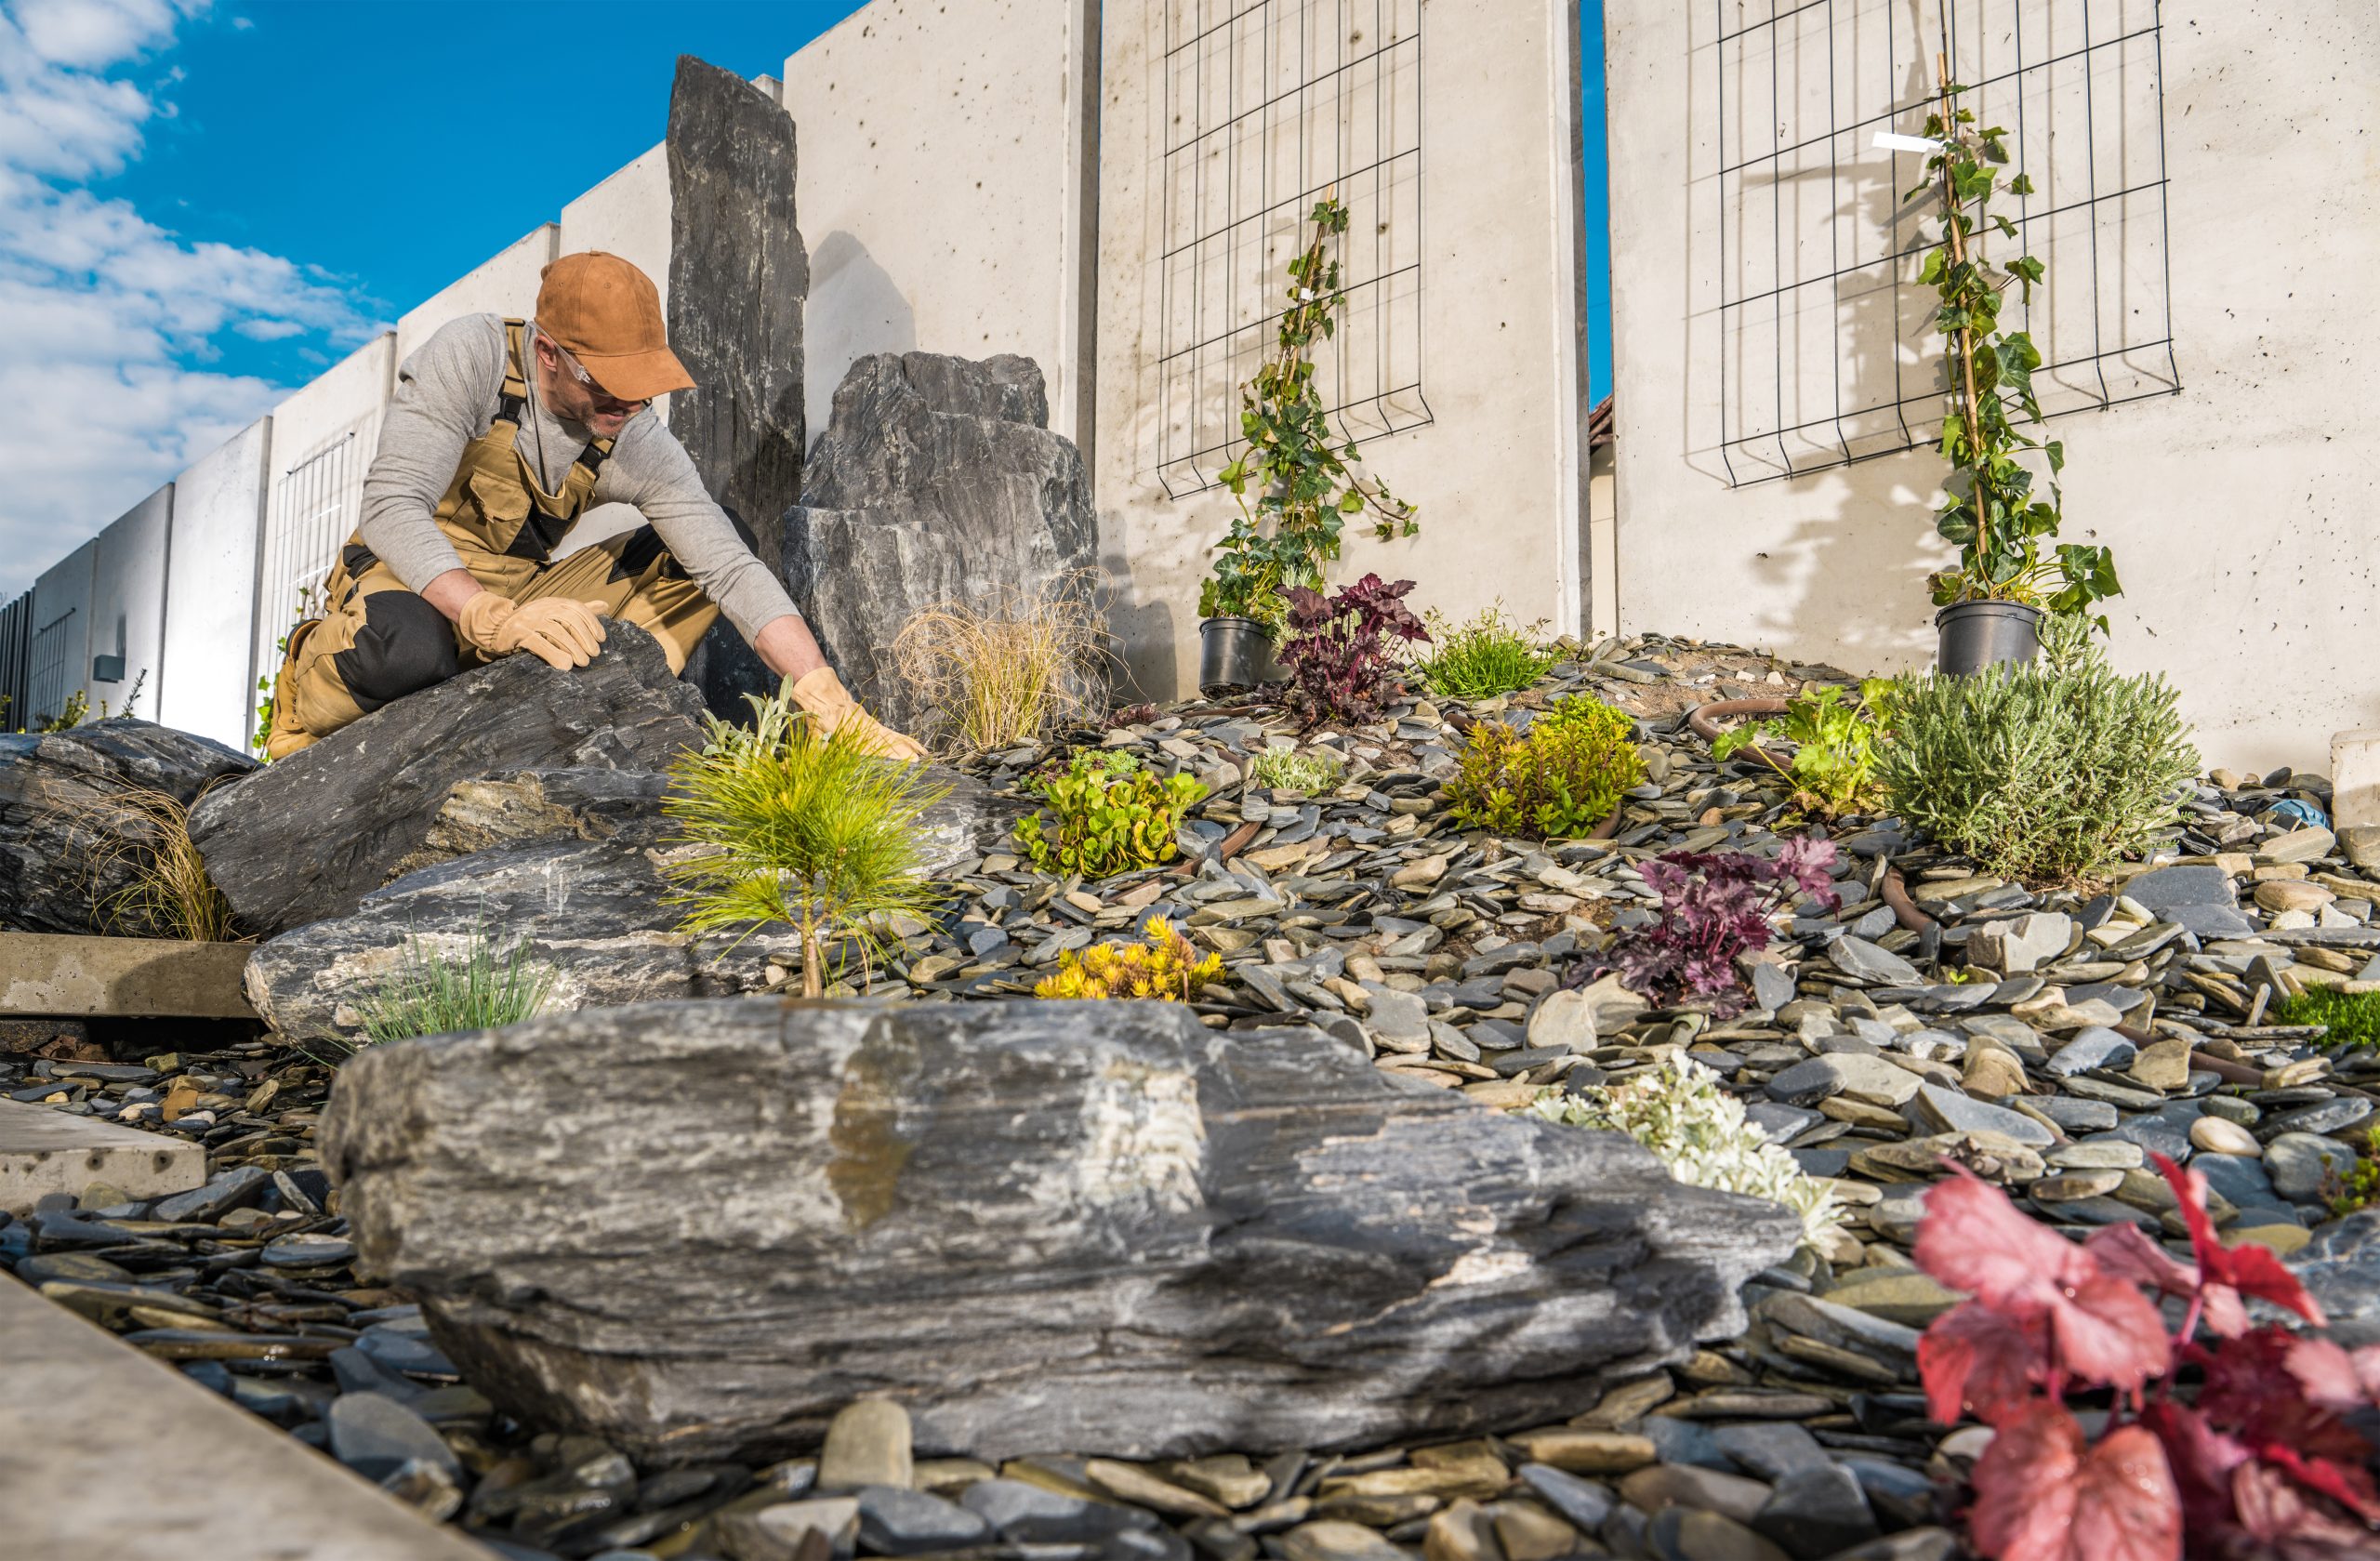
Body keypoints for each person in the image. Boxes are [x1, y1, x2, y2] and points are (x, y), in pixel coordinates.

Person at [261, 250, 923, 762]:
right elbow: (391, 506)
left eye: (642, 390)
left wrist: (823, 692)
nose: (630, 407)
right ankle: (305, 681)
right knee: (410, 651)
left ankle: (597, 717)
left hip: (524, 598)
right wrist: (489, 619)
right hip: (402, 579)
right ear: (548, 353)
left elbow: (728, 570)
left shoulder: (632, 433)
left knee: (700, 558)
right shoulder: (475, 358)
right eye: (611, 386)